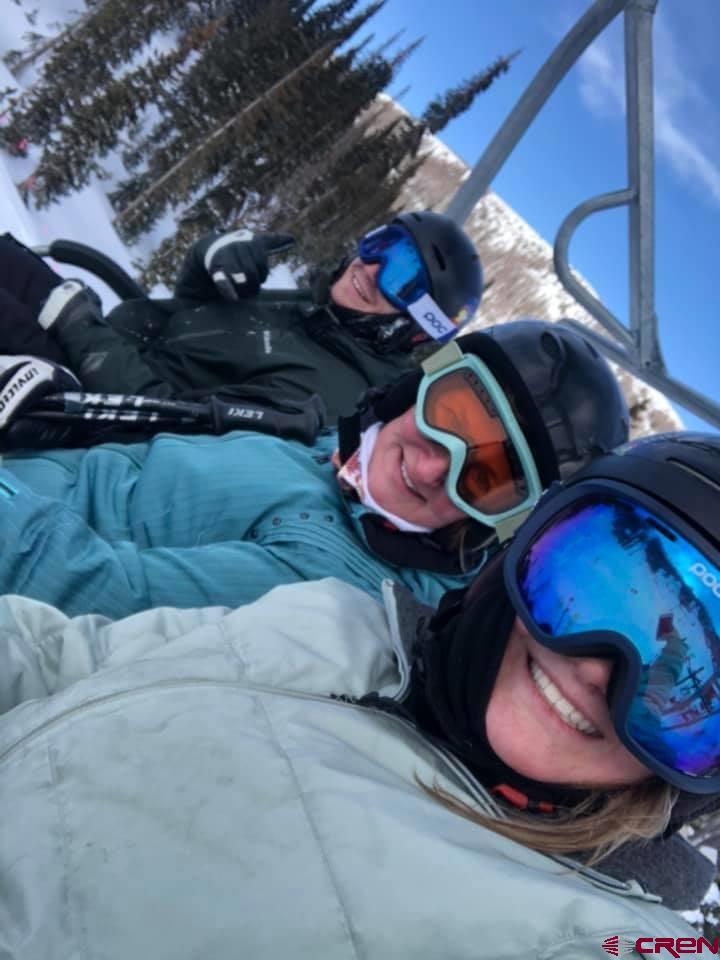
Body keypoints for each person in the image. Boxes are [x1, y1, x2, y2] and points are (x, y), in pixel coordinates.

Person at [0, 432, 715, 958]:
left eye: (693, 684)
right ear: (526, 544)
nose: (600, 667)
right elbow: (65, 657)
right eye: (596, 583)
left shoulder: (597, 933)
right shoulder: (333, 619)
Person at [0, 321, 628, 619]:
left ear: (500, 522)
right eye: (454, 412)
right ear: (418, 385)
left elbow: (80, 592)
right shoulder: (330, 455)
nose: (437, 464)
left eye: (488, 478)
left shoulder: (334, 580)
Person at [0, 211, 483, 426]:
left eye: (402, 275)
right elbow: (186, 321)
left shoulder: (333, 397)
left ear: (417, 327)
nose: (370, 267)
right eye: (382, 243)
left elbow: (158, 423)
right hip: (95, 344)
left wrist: (74, 320)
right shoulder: (316, 317)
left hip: (76, 404)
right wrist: (206, 263)